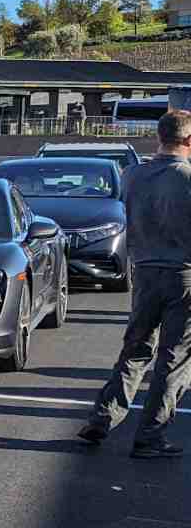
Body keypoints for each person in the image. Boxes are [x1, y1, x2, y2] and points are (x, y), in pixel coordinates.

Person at [77, 109, 191, 459]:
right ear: (188, 141)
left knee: (136, 348)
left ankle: (103, 416)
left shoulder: (132, 176)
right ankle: (151, 434)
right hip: (183, 275)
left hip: (143, 272)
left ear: (159, 136)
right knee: (174, 359)